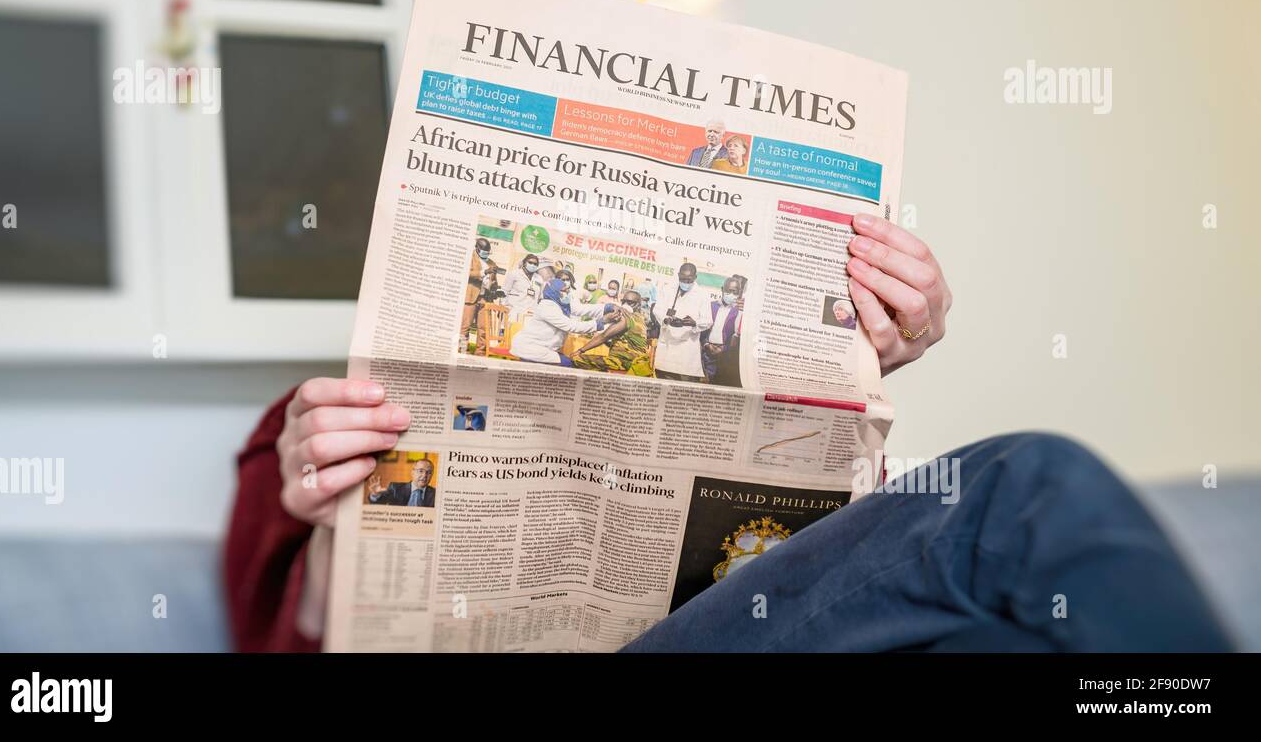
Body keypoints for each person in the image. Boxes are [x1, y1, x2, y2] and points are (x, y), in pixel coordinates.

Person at [224, 214, 1234, 652]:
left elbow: (821, 554)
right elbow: (287, 628)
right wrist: (322, 519)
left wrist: (864, 347)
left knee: (998, 639)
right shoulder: (313, 420)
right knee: (1027, 481)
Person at [508, 272, 619, 366]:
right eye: (564, 291)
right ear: (554, 292)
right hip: (530, 348)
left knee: (566, 363)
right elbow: (571, 326)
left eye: (567, 290)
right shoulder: (547, 307)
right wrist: (603, 321)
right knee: (568, 365)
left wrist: (607, 307)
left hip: (542, 349)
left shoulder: (561, 303)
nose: (567, 293)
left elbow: (583, 309)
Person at [651, 263, 712, 381]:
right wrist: (666, 319)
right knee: (663, 381)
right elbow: (657, 310)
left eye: (689, 280)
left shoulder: (702, 295)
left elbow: (708, 320)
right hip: (667, 346)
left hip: (687, 349)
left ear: (695, 277)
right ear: (678, 275)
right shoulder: (667, 289)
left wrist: (694, 323)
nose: (685, 282)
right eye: (682, 279)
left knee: (684, 385)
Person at [702, 276, 744, 386]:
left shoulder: (739, 311)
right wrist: (706, 344)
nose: (731, 294)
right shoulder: (711, 306)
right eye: (728, 291)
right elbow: (702, 329)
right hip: (706, 353)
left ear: (739, 293)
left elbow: (737, 336)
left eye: (734, 292)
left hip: (725, 355)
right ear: (722, 289)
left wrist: (724, 348)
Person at [366, 457, 436, 507]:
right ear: (412, 472)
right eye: (420, 471)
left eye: (429, 472)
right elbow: (379, 503)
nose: (424, 475)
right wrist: (375, 495)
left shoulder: (435, 493)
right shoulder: (395, 488)